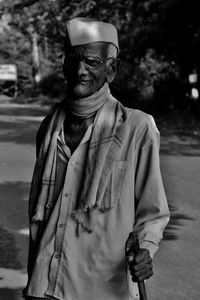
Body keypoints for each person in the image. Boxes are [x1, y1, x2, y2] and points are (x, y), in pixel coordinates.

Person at [23, 18, 170, 300]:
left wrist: (146, 250)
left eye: (91, 62)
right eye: (73, 60)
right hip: (44, 285)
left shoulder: (137, 128)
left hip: (102, 288)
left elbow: (153, 213)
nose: (80, 70)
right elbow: (37, 211)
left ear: (111, 69)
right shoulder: (49, 127)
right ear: (64, 64)